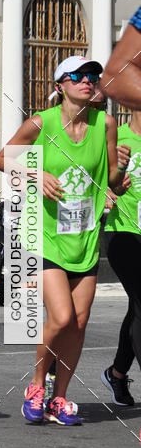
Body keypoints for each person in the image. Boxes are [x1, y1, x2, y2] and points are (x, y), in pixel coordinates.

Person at [0, 55, 128, 426]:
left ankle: (60, 397)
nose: (88, 80)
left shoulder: (106, 124)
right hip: (45, 236)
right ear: (60, 85)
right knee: (62, 316)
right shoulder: (42, 123)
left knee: (79, 324)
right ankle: (37, 384)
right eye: (78, 76)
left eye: (93, 75)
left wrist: (120, 176)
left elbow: (111, 179)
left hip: (84, 236)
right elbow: (2, 158)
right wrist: (35, 174)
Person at [100, 109, 141, 406]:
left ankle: (116, 373)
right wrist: (103, 189)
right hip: (123, 232)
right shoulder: (116, 137)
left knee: (137, 308)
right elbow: (85, 170)